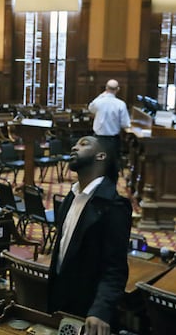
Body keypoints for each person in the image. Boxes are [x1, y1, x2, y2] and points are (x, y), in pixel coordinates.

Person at [49, 135, 132, 335]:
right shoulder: (71, 196)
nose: (74, 147)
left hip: (89, 312)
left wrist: (100, 310)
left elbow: (115, 269)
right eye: (76, 143)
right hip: (61, 305)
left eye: (84, 144)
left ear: (101, 156)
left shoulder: (113, 205)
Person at [87, 79, 130, 180]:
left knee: (98, 167)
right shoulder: (121, 104)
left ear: (106, 88)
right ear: (118, 89)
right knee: (112, 168)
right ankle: (110, 191)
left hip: (98, 140)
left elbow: (90, 108)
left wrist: (102, 95)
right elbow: (125, 124)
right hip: (112, 141)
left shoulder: (98, 102)